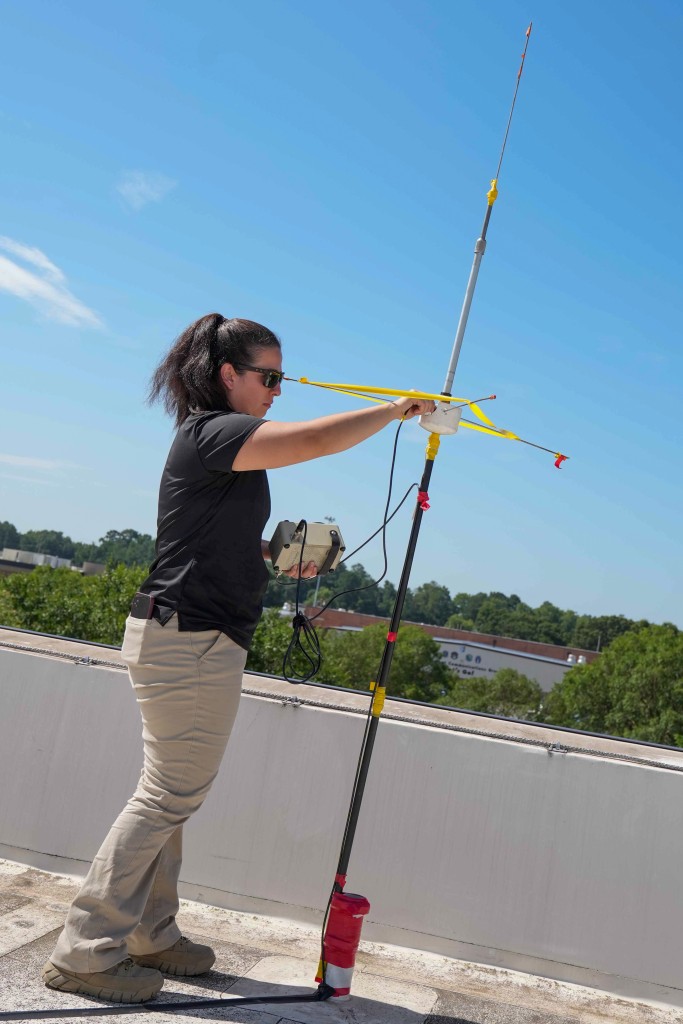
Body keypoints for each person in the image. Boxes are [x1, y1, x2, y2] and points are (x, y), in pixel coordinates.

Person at [42, 313, 435, 1004]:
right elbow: (311, 441)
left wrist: (269, 556)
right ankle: (87, 950)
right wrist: (394, 408)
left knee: (171, 796)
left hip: (189, 637)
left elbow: (210, 540)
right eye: (271, 377)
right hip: (189, 640)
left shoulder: (211, 441)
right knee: (168, 795)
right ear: (230, 375)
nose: (278, 390)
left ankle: (150, 935)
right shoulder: (216, 431)